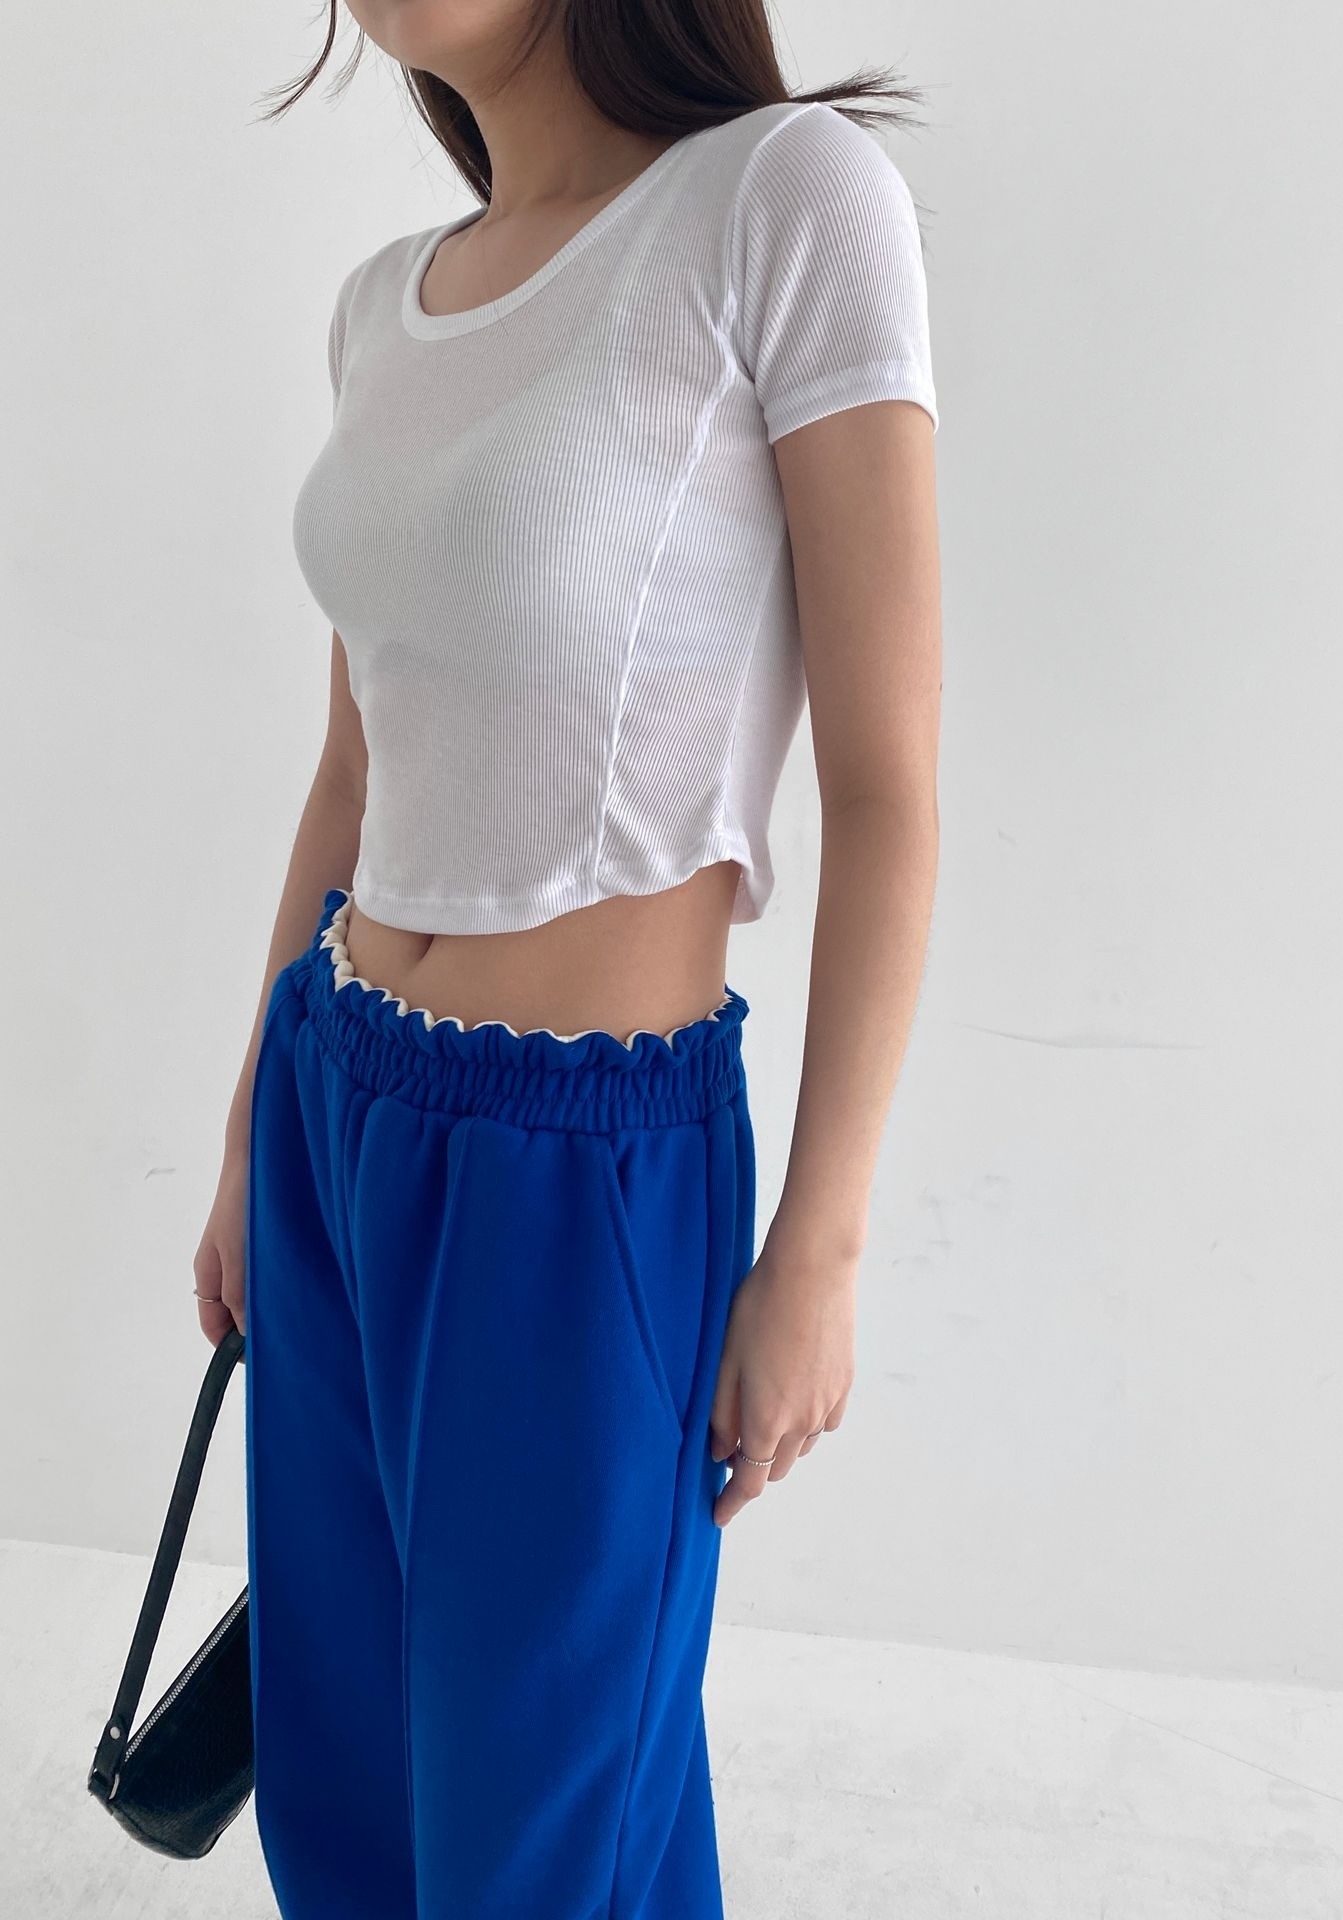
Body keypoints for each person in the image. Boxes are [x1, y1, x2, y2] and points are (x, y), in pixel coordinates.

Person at [191, 2, 941, 1913]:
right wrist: (250, 1136)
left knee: (541, 1828)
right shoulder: (385, 304)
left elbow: (886, 782)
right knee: (349, 1792)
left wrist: (821, 1250)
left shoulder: (786, 200)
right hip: (336, 1103)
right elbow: (353, 772)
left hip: (579, 1170)